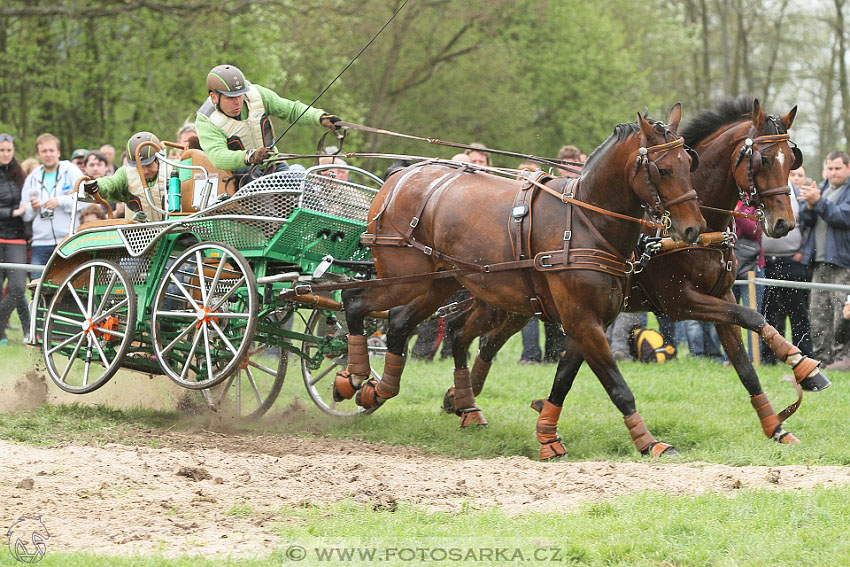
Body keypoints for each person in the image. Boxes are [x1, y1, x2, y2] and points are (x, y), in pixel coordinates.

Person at [196, 64, 341, 182]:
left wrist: (320, 117)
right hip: (239, 177)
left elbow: (292, 110)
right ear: (214, 97)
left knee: (302, 192)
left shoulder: (256, 95)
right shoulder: (206, 120)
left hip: (274, 166)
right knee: (268, 210)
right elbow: (218, 156)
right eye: (230, 97)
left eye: (240, 96)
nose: (237, 102)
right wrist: (250, 156)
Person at [799, 150, 850, 367]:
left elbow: (843, 216)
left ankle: (842, 359)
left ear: (848, 168)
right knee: (818, 313)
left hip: (843, 264)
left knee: (841, 315)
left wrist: (817, 202)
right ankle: (822, 359)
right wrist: (810, 205)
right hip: (819, 263)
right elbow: (805, 218)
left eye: (838, 168)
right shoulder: (820, 188)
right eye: (830, 168)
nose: (833, 172)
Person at [759, 166, 814, 364]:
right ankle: (769, 357)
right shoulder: (763, 192)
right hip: (767, 264)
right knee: (768, 314)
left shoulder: (800, 195)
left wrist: (803, 253)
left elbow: (809, 228)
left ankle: (804, 355)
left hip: (793, 262)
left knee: (798, 312)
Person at [19, 133, 84, 277]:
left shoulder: (71, 171)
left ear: (58, 152)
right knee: (37, 287)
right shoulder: (32, 178)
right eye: (44, 151)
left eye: (51, 150)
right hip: (40, 243)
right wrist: (32, 207)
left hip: (68, 239)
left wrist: (60, 201)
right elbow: (24, 214)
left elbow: (85, 198)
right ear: (38, 154)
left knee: (71, 285)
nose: (48, 154)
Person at [82, 132, 166, 222]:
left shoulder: (173, 169)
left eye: (149, 165)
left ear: (158, 159)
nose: (144, 171)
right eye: (139, 167)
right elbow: (111, 182)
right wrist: (97, 186)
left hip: (173, 231)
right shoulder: (125, 173)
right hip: (137, 233)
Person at [0, 133, 30, 345]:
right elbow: (16, 210)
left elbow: (28, 202)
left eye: (9, 150)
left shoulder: (21, 175)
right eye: (2, 150)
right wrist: (12, 213)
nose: (6, 154)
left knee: (19, 288)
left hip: (17, 239)